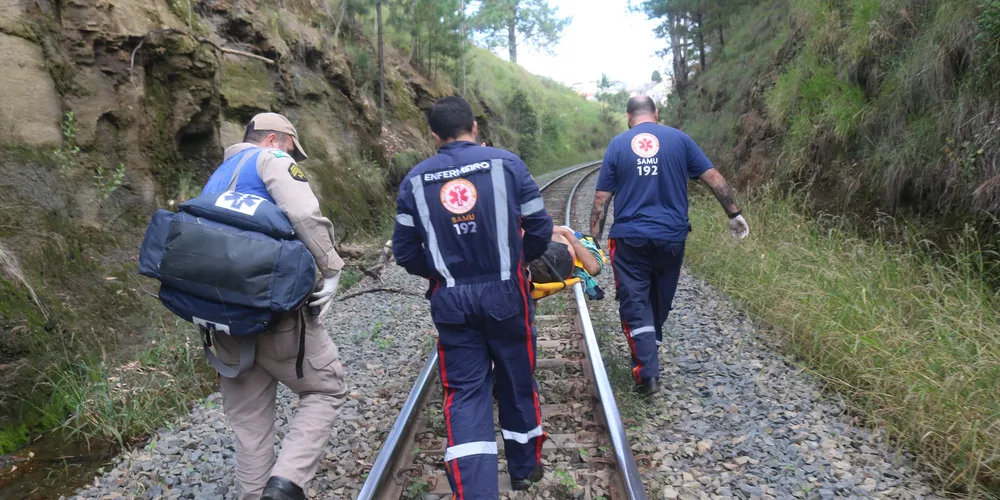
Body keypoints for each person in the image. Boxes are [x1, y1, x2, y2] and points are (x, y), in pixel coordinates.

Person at [392, 96, 553, 498]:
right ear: (475, 126)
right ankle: (525, 469)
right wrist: (520, 261)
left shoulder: (414, 180)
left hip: (451, 301)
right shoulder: (507, 164)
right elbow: (540, 228)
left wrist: (441, 274)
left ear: (433, 136)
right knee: (516, 378)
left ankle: (477, 491)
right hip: (506, 295)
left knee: (464, 393)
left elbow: (406, 252)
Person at [200, 113, 348, 500]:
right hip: (277, 317)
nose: (293, 158)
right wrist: (331, 268)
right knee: (325, 390)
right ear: (272, 139)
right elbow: (302, 214)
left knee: (250, 427)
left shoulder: (217, 177)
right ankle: (284, 486)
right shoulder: (271, 160)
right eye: (291, 148)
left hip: (222, 322)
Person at [588, 96, 749, 396]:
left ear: (628, 117)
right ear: (656, 114)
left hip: (629, 239)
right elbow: (714, 178)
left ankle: (647, 372)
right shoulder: (680, 140)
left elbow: (601, 199)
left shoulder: (618, 144)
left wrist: (592, 240)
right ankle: (648, 352)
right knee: (659, 299)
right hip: (672, 238)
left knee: (635, 301)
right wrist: (734, 214)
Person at [528, 226, 605, 300]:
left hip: (552, 256)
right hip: (548, 255)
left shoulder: (581, 241)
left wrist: (566, 232)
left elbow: (594, 268)